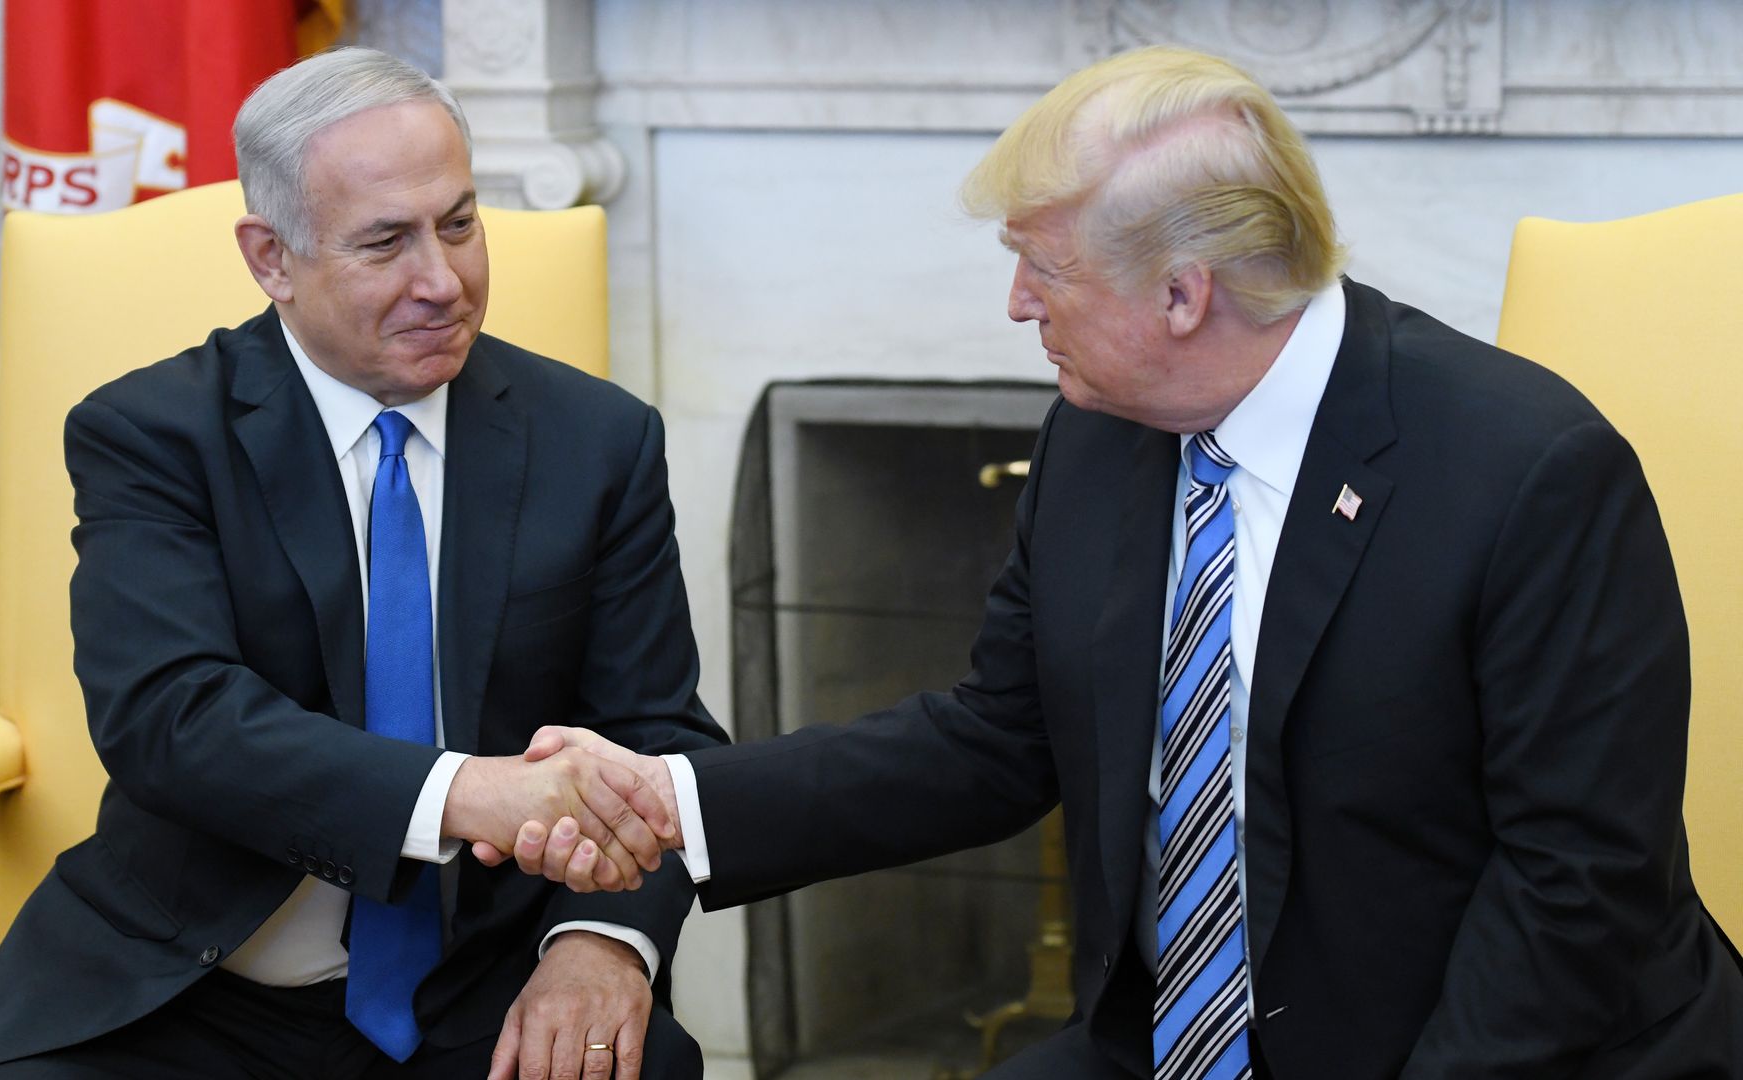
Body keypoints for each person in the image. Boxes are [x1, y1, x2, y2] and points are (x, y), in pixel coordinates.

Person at [503, 45, 1743, 1079]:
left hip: (1481, 1046)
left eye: (1043, 268)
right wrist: (677, 806)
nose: (1016, 307)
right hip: (1173, 1037)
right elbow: (993, 740)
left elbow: (1577, 890)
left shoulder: (1528, 472)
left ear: (1183, 296)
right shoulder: (1101, 438)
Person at [0, 47, 725, 1080]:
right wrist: (464, 794)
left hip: (483, 984)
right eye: (385, 243)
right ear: (271, 258)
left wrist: (598, 944)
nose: (442, 281)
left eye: (459, 223)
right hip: (194, 989)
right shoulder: (154, 434)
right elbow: (173, 718)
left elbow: (656, 735)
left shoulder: (599, 440)